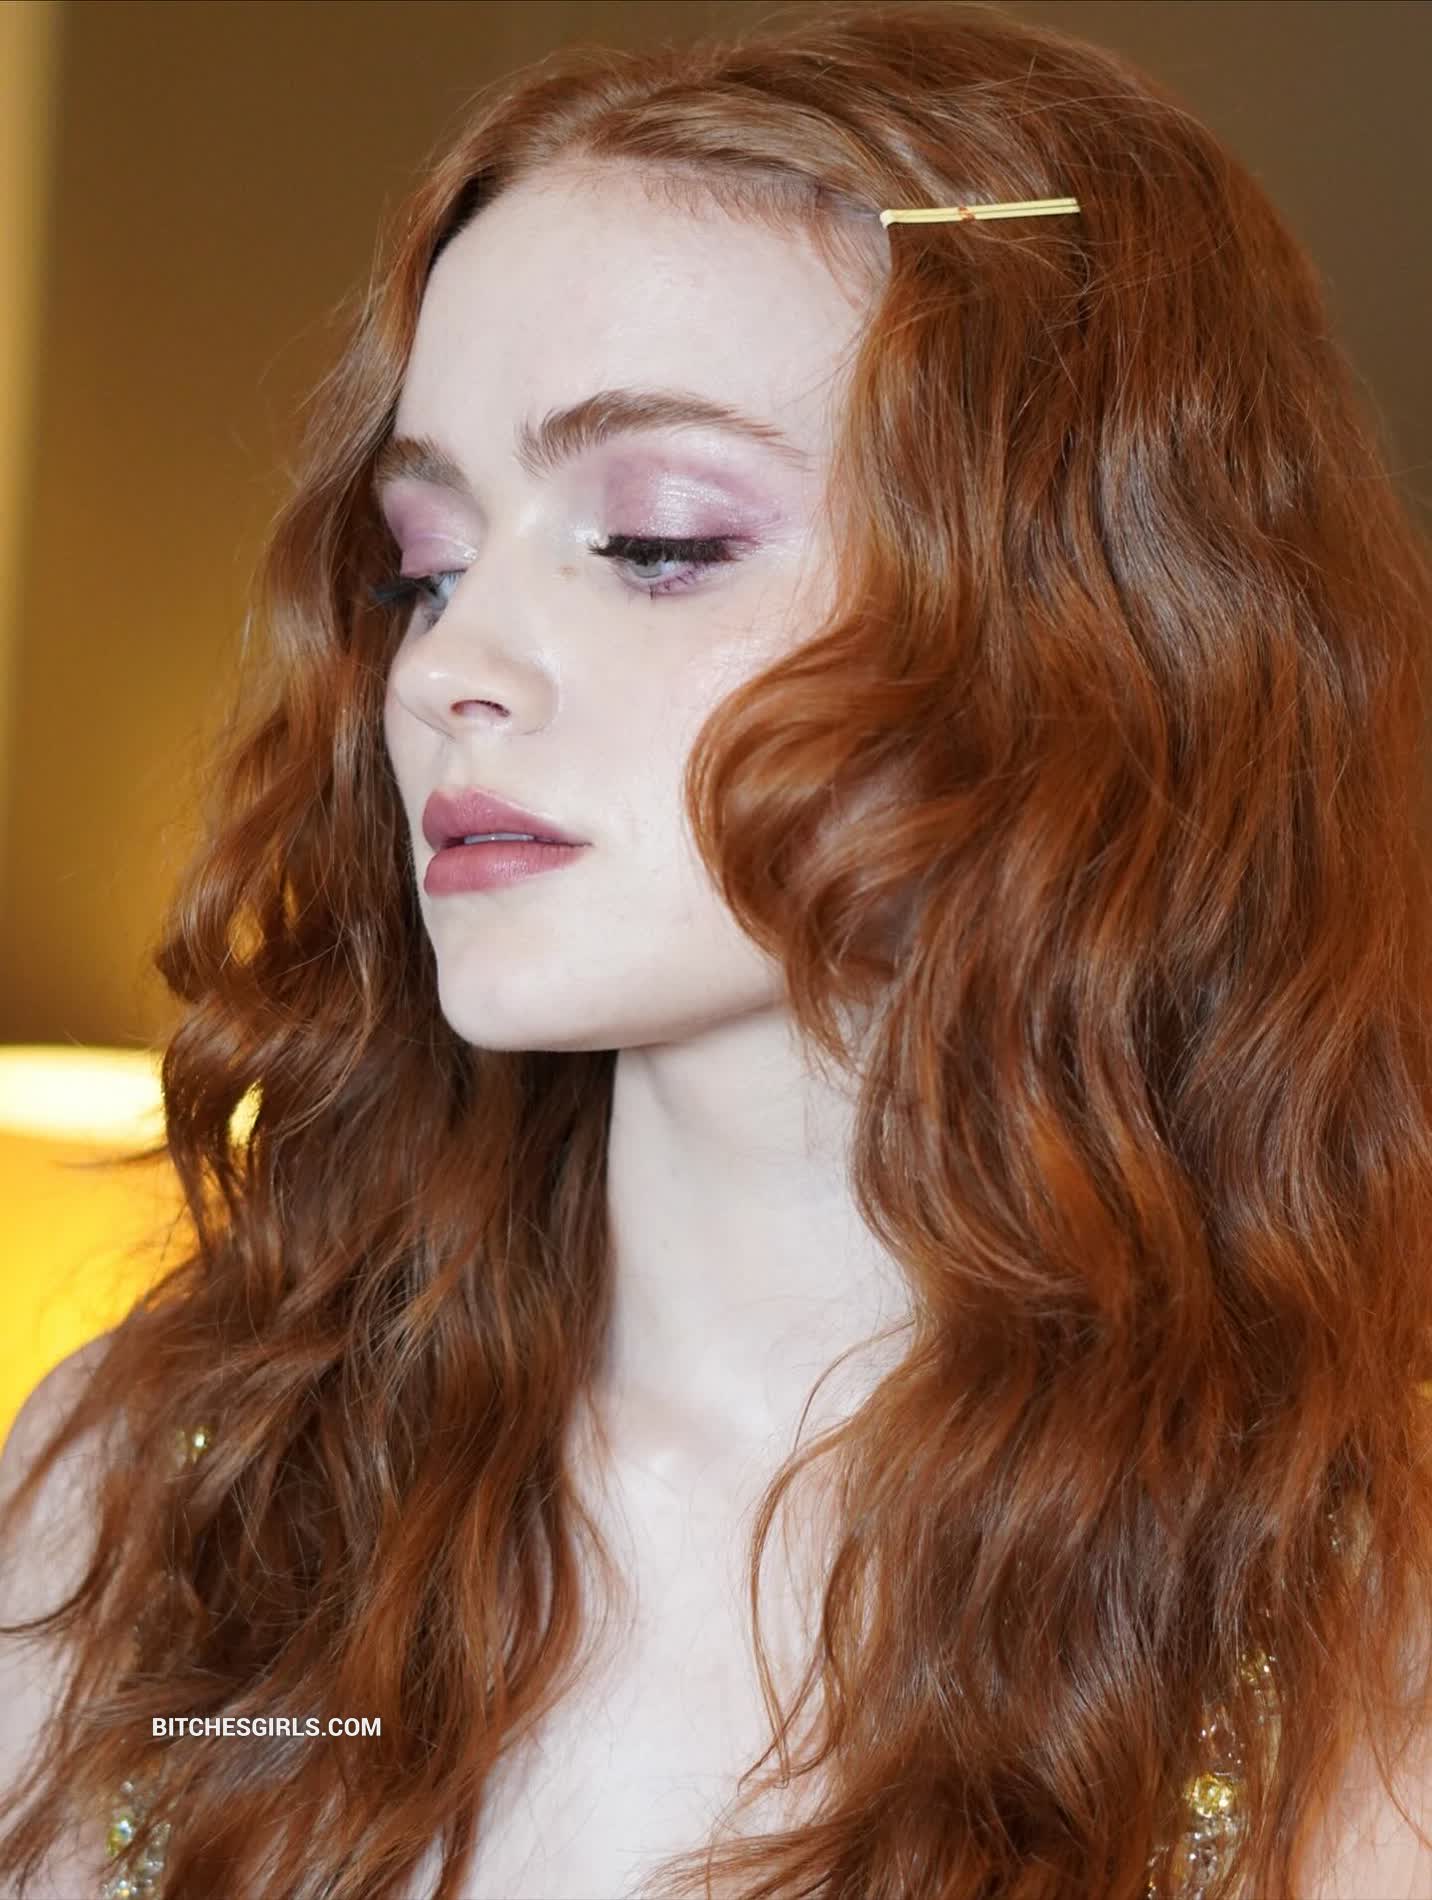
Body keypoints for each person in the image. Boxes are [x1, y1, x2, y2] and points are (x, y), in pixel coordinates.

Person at [3, 2, 1432, 1895]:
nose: (446, 668)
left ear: (1083, 626)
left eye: (658, 544)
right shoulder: (158, 1482)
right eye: (424, 562)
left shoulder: (1357, 1638)